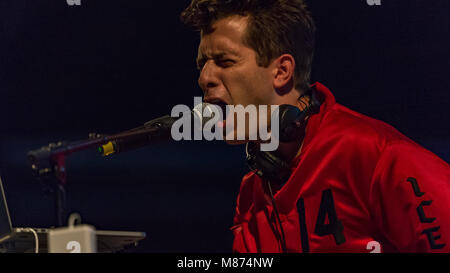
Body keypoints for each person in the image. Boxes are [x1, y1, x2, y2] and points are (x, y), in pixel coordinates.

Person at [180, 0, 450, 252]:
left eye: (225, 61)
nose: (205, 78)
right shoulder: (251, 195)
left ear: (282, 71)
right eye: (202, 65)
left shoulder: (380, 156)